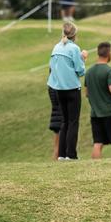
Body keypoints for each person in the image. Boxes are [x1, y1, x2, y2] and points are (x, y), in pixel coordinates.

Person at [47, 22, 87, 160]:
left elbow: (52, 67)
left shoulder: (56, 47)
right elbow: (80, 71)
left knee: (64, 121)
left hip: (59, 89)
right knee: (73, 122)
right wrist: (83, 58)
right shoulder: (74, 48)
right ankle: (71, 154)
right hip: (72, 89)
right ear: (74, 35)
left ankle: (62, 155)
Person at [85, 42, 111, 159]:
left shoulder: (89, 72)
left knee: (98, 143)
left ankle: (96, 170)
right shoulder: (109, 71)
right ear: (109, 53)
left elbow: (87, 93)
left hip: (95, 114)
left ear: (98, 53)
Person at [48, 83, 62, 160]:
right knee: (58, 146)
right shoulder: (58, 87)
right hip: (60, 118)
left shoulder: (51, 86)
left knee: (57, 146)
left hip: (55, 117)